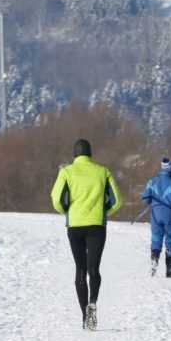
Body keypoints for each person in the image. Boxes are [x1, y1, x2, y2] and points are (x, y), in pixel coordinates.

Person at [50, 138, 122, 330]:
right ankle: (92, 303)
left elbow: (56, 199)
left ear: (75, 154)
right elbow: (117, 201)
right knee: (94, 269)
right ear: (90, 154)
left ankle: (85, 316)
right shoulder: (103, 171)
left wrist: (67, 212)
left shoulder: (66, 172)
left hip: (75, 226)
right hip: (97, 225)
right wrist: (103, 212)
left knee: (80, 270)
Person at [141, 157, 171, 278]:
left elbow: (145, 199)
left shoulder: (152, 181)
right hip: (169, 214)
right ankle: (169, 270)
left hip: (155, 214)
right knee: (170, 241)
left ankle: (154, 264)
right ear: (170, 168)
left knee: (156, 239)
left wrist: (153, 201)